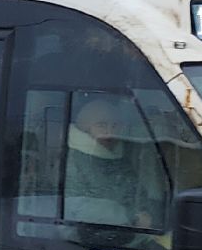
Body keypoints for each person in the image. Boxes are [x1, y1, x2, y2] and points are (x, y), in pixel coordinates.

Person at [63, 95, 163, 229]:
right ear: (84, 128)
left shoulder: (121, 157)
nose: (110, 131)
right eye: (101, 125)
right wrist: (132, 217)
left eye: (115, 125)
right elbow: (76, 207)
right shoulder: (72, 161)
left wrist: (148, 214)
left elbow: (138, 195)